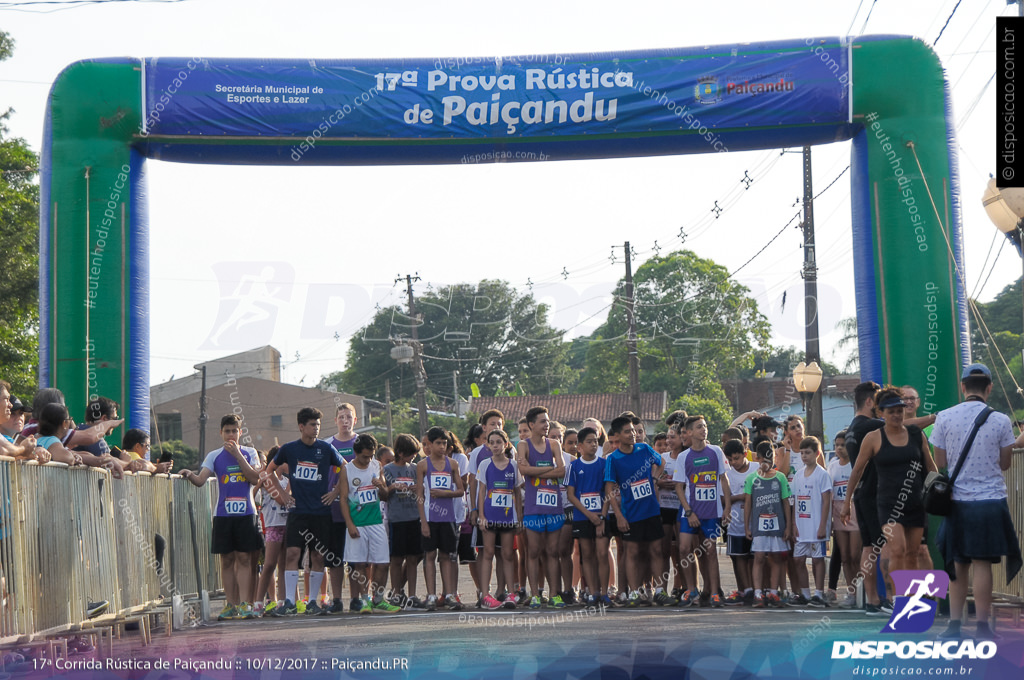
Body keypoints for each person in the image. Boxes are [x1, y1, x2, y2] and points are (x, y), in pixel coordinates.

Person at [933, 364, 1022, 641]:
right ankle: (983, 627)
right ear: (989, 388)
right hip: (990, 501)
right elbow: (1006, 464)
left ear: (963, 387)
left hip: (957, 501)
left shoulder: (945, 417)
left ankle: (955, 625)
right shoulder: (1001, 420)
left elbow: (941, 463)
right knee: (983, 564)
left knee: (958, 564)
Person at [842, 388, 936, 576]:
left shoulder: (917, 435)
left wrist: (940, 489)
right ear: (880, 413)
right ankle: (898, 599)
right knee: (897, 550)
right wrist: (847, 502)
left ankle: (915, 602)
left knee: (914, 553)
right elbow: (857, 471)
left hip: (915, 502)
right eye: (891, 411)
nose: (896, 415)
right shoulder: (873, 437)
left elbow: (931, 466)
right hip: (889, 504)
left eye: (899, 410)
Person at [262, 407, 346, 616]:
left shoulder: (326, 449)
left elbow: (345, 467)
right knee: (292, 553)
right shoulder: (289, 449)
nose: (316, 428)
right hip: (298, 512)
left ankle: (313, 602)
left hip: (321, 512)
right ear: (301, 426)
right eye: (312, 424)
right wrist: (282, 493)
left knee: (318, 556)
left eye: (318, 424)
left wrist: (335, 491)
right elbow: (269, 470)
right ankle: (290, 601)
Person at [181, 414, 263, 620]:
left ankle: (245, 604)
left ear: (240, 432)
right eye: (227, 431)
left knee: (244, 558)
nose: (231, 435)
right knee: (226, 560)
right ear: (221, 433)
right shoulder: (214, 455)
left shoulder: (250, 452)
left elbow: (254, 478)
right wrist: (189, 474)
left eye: (235, 431)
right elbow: (201, 480)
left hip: (246, 513)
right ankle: (231, 604)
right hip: (223, 515)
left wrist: (238, 456)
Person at [604, 415, 665, 607]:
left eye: (633, 430)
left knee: (656, 550)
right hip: (631, 513)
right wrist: (619, 515)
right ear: (617, 435)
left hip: (651, 510)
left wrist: (654, 479)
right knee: (632, 552)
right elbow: (609, 490)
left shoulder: (644, 448)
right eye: (627, 431)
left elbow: (661, 462)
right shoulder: (613, 459)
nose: (632, 434)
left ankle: (660, 592)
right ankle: (635, 593)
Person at [337, 433, 400, 614]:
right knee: (359, 564)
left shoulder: (376, 465)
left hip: (376, 521)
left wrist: (381, 486)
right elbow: (342, 499)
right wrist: (349, 524)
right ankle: (365, 601)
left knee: (382, 563)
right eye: (365, 456)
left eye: (371, 455)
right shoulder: (347, 470)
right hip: (357, 523)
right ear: (356, 453)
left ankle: (378, 599)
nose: (368, 459)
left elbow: (385, 495)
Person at [673, 415, 731, 607]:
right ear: (689, 432)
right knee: (683, 548)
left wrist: (727, 507)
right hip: (690, 511)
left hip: (711, 512)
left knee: (711, 550)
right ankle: (691, 590)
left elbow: (724, 480)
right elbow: (679, 487)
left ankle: (714, 593)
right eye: (699, 427)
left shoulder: (715, 451)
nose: (703, 430)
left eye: (705, 426)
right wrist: (689, 512)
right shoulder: (683, 457)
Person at [844, 381, 888, 615]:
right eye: (880, 402)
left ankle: (872, 600)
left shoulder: (852, 428)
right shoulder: (870, 426)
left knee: (869, 547)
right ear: (870, 401)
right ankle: (888, 597)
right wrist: (931, 419)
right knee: (885, 546)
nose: (887, 410)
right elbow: (901, 425)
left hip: (862, 493)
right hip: (873, 494)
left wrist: (848, 500)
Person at [516, 406, 566, 608]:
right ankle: (535, 594)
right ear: (531, 425)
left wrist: (535, 473)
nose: (546, 425)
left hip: (553, 506)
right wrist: (548, 469)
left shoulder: (554, 444)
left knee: (553, 551)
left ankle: (554, 594)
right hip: (533, 508)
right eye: (542, 421)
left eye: (547, 421)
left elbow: (561, 471)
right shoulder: (523, 445)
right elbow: (523, 470)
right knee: (533, 551)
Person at [416, 426, 466, 611]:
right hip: (430, 517)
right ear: (429, 444)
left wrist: (446, 494)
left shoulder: (452, 464)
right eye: (438, 443)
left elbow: (461, 491)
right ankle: (431, 595)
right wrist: (423, 522)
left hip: (448, 518)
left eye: (445, 443)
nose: (442, 447)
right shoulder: (423, 465)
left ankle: (450, 594)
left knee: (447, 556)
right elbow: (419, 496)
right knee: (430, 555)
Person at [475, 428, 524, 610]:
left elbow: (518, 493)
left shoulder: (514, 466)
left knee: (507, 555)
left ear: (506, 444)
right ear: (488, 445)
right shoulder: (485, 465)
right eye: (492, 442)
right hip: (490, 516)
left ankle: (511, 593)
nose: (495, 446)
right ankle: (485, 595)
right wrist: (481, 516)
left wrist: (519, 518)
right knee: (487, 553)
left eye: (498, 442)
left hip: (508, 519)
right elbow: (481, 492)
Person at [745, 442, 792, 608]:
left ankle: (773, 592)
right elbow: (748, 503)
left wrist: (788, 526)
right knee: (759, 558)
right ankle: (758, 593)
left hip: (777, 525)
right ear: (757, 458)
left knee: (776, 558)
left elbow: (786, 503)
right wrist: (746, 526)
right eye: (763, 458)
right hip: (759, 526)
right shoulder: (752, 478)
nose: (767, 461)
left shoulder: (780, 478)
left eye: (770, 457)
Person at [565, 426, 608, 607]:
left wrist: (602, 517)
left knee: (602, 553)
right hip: (583, 517)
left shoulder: (604, 464)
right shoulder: (574, 466)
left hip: (602, 517)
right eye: (589, 442)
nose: (593, 445)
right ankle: (592, 592)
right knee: (587, 555)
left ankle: (604, 593)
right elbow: (571, 495)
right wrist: (589, 515)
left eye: (595, 442)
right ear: (580, 446)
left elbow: (609, 492)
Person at [382, 434, 425, 609]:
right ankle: (397, 593)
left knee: (413, 558)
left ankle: (412, 594)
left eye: (414, 454)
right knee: (396, 559)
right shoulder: (387, 470)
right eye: (409, 454)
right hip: (396, 519)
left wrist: (417, 489)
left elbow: (422, 492)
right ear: (400, 452)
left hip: (413, 517)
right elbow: (383, 494)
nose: (412, 457)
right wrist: (392, 487)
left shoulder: (414, 469)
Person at [324, 403, 358, 610]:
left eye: (349, 417)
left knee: (356, 558)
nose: (345, 421)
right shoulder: (327, 445)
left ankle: (357, 598)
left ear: (355, 420)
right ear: (335, 420)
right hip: (333, 509)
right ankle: (336, 599)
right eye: (341, 417)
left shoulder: (362, 443)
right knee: (333, 557)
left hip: (358, 509)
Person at [792, 436, 832, 607]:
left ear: (816, 453)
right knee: (798, 560)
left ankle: (819, 593)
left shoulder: (822, 474)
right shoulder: (798, 475)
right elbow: (794, 501)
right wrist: (794, 524)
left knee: (817, 560)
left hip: (816, 526)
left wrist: (823, 525)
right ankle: (805, 593)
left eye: (807, 453)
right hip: (802, 526)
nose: (804, 456)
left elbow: (827, 501)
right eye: (801, 453)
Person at [827, 430, 861, 608]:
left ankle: (863, 591)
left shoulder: (856, 464)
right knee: (845, 556)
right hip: (838, 515)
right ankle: (852, 593)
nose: (840, 448)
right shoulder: (832, 465)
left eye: (843, 445)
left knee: (856, 555)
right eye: (837, 445)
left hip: (854, 512)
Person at [254, 448, 288, 616]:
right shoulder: (267, 478)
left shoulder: (286, 479)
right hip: (273, 525)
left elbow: (290, 499)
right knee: (269, 564)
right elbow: (282, 498)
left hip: (287, 523)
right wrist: (259, 483)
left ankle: (281, 601)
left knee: (283, 565)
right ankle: (258, 602)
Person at [723, 439, 756, 605]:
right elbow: (722, 499)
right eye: (730, 459)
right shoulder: (727, 474)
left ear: (745, 453)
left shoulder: (757, 469)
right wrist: (740, 497)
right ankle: (746, 590)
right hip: (735, 524)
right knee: (739, 558)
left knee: (754, 557)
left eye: (737, 458)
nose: (734, 462)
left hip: (755, 524)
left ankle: (757, 589)